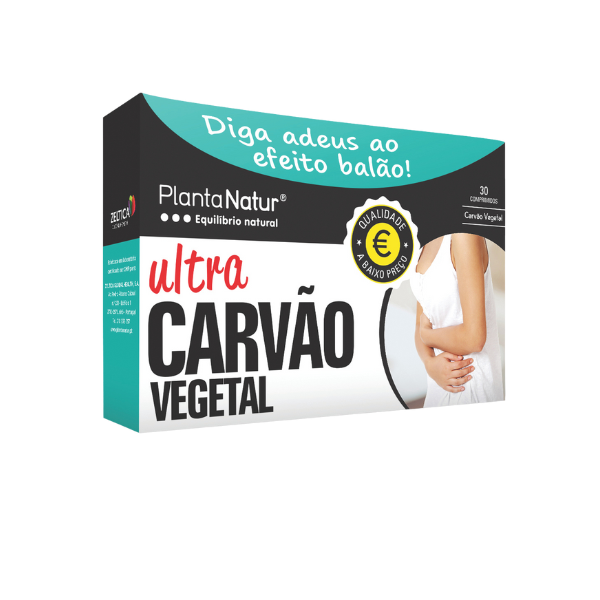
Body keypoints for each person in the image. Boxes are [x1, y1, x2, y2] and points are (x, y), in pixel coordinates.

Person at [410, 233, 504, 407]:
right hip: (438, 386)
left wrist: (427, 336)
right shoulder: (421, 238)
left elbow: (474, 338)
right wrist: (429, 363)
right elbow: (419, 323)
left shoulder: (464, 235)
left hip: (471, 387)